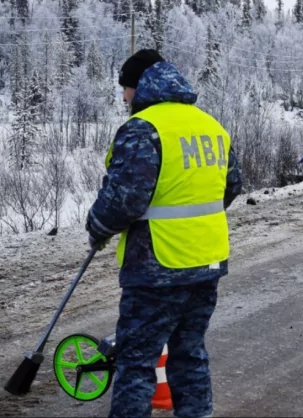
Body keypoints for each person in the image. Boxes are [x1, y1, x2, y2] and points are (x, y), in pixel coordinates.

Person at [85, 49, 243, 418]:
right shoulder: (210, 125)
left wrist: (97, 227)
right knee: (189, 354)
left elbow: (125, 199)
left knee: (137, 361)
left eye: (125, 89)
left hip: (157, 265)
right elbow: (231, 185)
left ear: (138, 87)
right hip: (207, 260)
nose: (124, 98)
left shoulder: (143, 128)